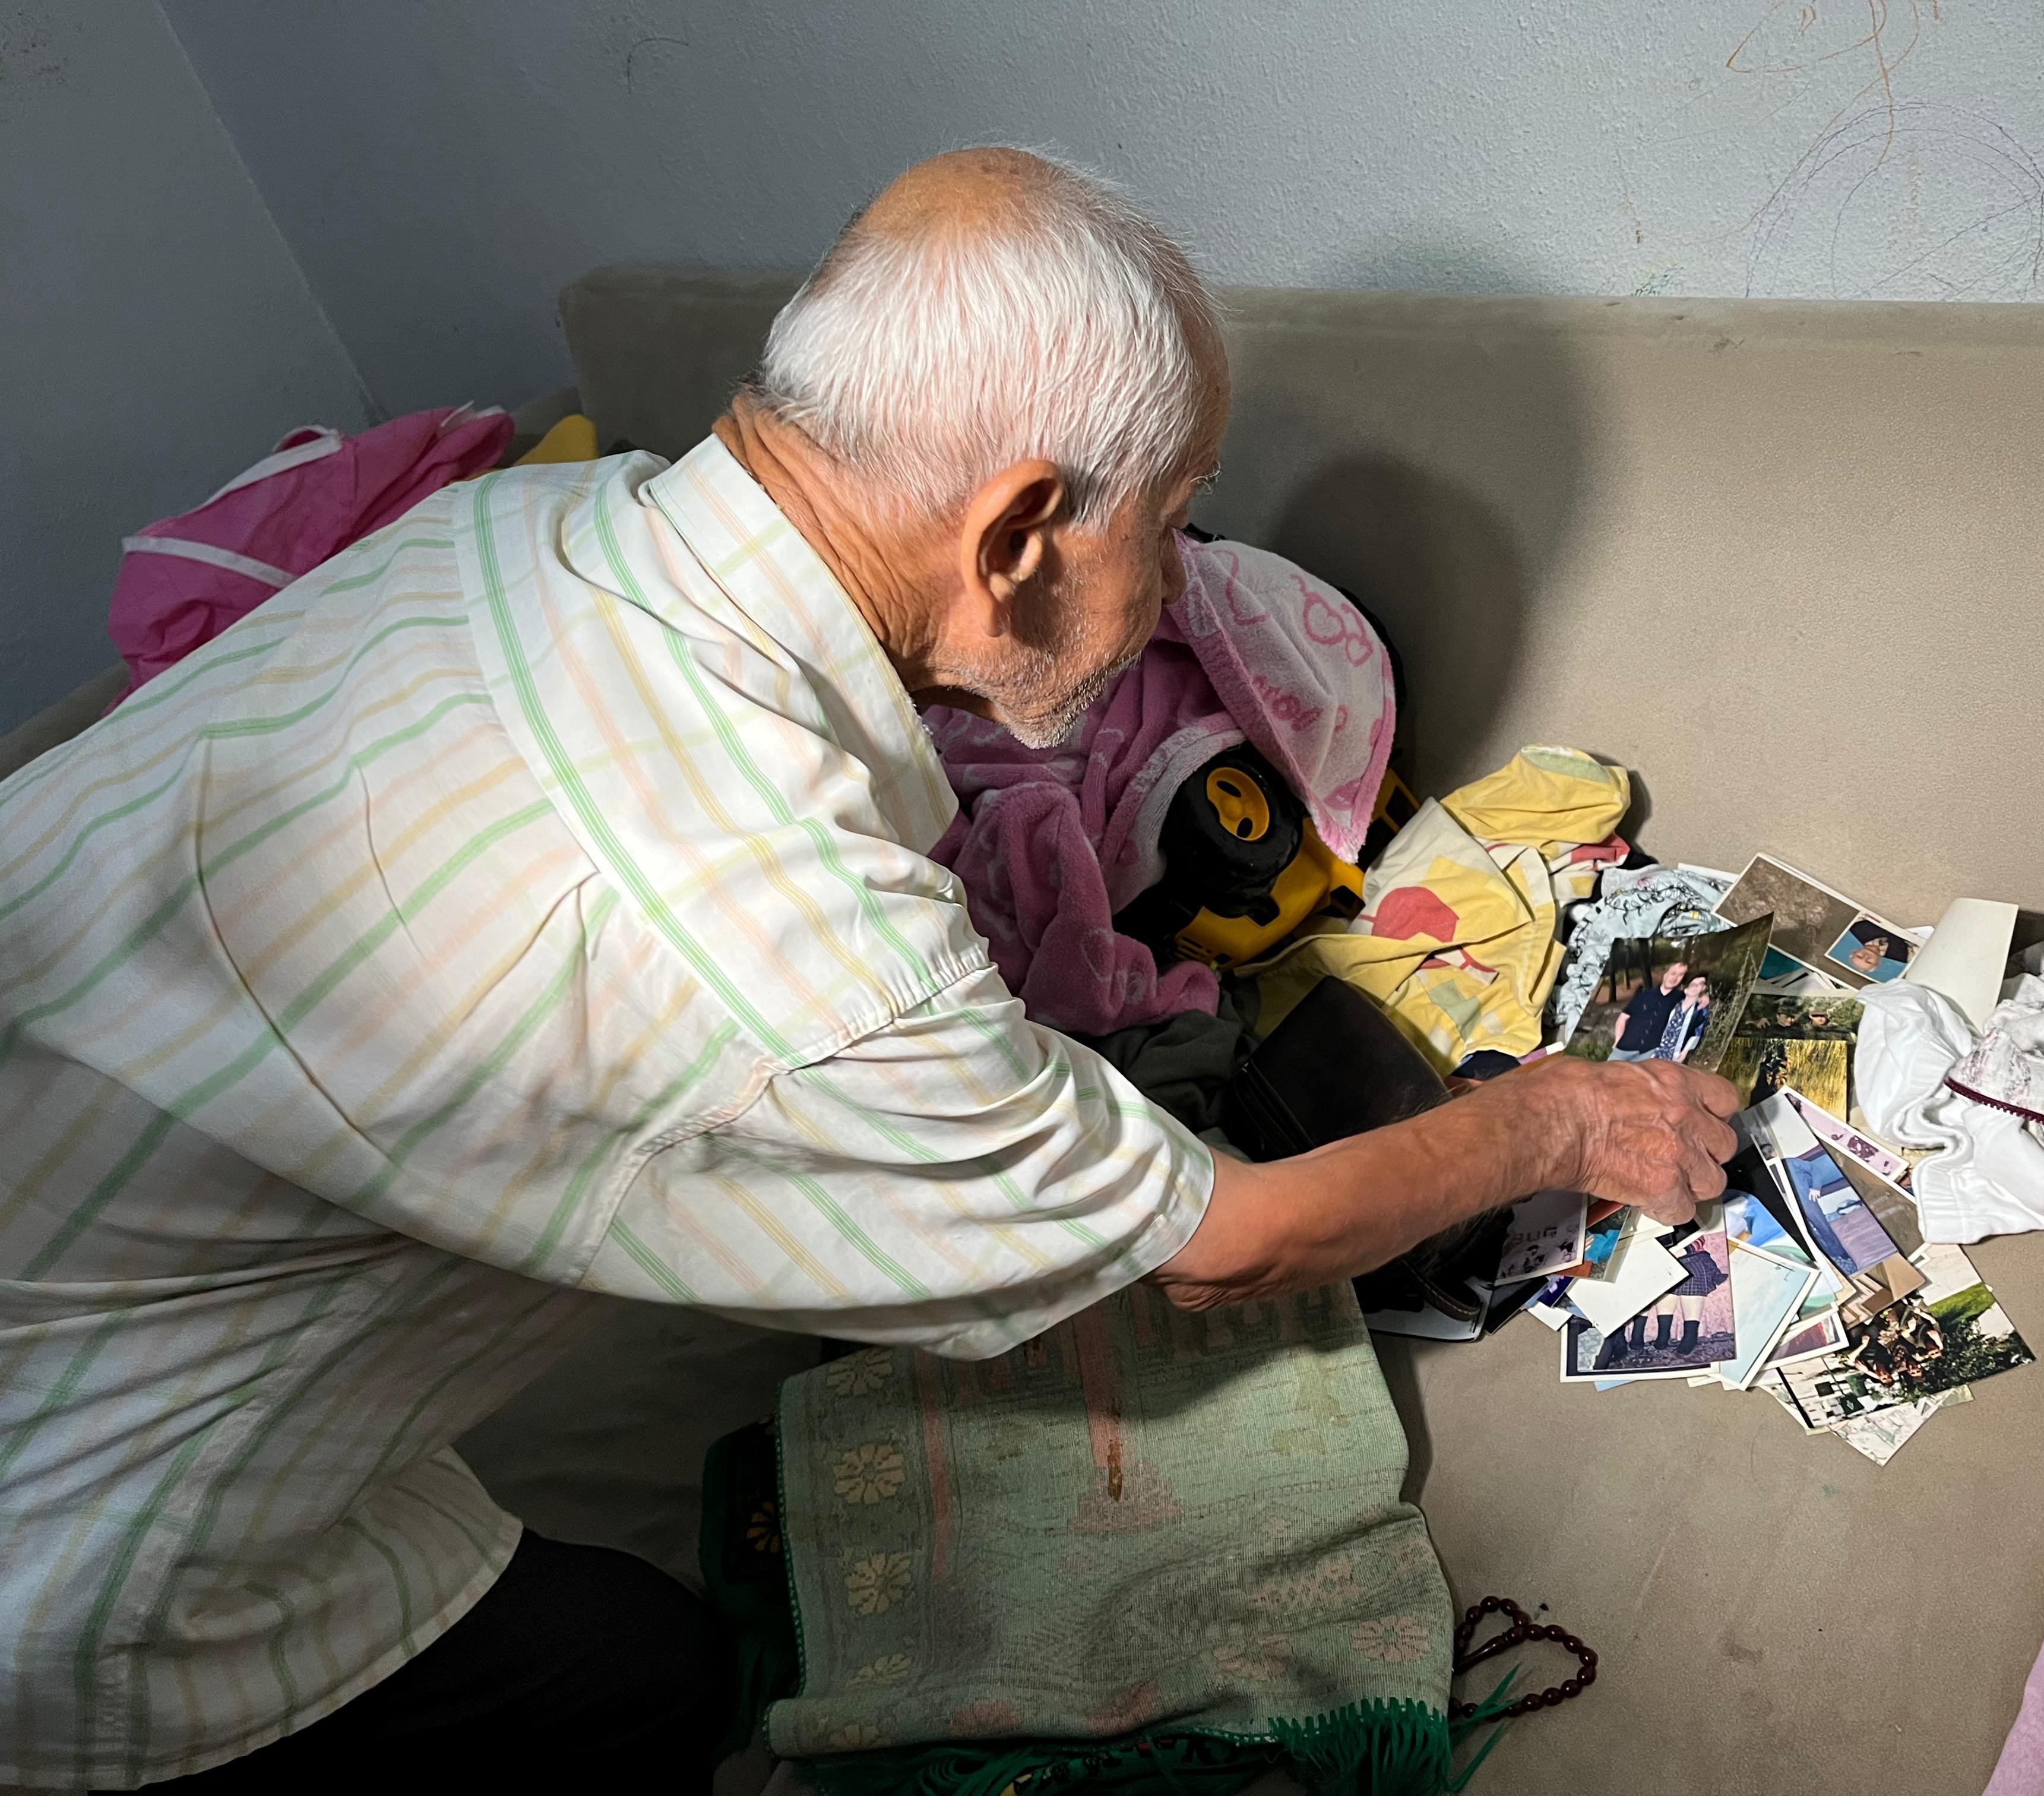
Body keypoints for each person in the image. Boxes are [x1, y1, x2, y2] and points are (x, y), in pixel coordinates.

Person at [0, 150, 1739, 1792]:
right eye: (1176, 522)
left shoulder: (504, 536)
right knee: (655, 1689)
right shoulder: (791, 936)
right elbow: (1231, 1246)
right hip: (80, 1567)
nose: (1179, 586)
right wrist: (1563, 1121)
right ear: (1022, 534)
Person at [1610, 959, 1689, 1060]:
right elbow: (1622, 1019)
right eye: (1673, 973)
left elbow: (1696, 995)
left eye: (1681, 975)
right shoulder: (1642, 996)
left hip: (1648, 1055)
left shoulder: (1681, 999)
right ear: (1665, 974)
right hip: (1623, 1050)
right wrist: (1617, 1040)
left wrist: (1703, 997)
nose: (1675, 978)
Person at [1656, 972, 1712, 1064]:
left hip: (1676, 1052)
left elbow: (1697, 1032)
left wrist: (1686, 1050)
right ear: (1686, 989)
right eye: (1694, 984)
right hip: (1657, 1047)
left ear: (1703, 989)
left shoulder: (1700, 1011)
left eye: (1701, 984)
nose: (1696, 986)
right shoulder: (1674, 1004)